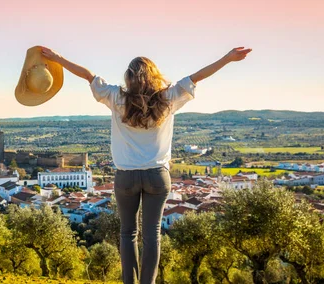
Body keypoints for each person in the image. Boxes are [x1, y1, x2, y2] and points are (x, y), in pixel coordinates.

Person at [41, 46, 251, 284]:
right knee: (152, 235)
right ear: (154, 76)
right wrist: (227, 58)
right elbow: (197, 76)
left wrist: (58, 59)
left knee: (127, 233)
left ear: (129, 77)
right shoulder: (168, 97)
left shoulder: (116, 97)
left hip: (126, 177)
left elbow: (87, 75)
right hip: (157, 176)